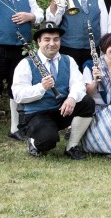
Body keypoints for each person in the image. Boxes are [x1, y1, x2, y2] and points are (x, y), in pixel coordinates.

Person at [12, 22, 95, 159]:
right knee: (47, 141)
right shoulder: (25, 64)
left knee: (87, 102)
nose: (52, 43)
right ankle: (34, 142)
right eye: (47, 39)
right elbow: (18, 95)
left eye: (56, 39)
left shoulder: (68, 60)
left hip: (61, 109)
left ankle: (72, 146)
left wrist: (72, 98)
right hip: (37, 113)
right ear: (39, 41)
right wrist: (41, 87)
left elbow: (78, 84)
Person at [0, 0, 44, 141]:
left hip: (21, 49)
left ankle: (15, 128)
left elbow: (39, 13)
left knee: (16, 87)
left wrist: (30, 17)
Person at [46, 0, 108, 70]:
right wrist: (53, 1)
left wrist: (104, 48)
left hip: (92, 49)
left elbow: (104, 25)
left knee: (92, 80)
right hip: (69, 48)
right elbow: (53, 22)